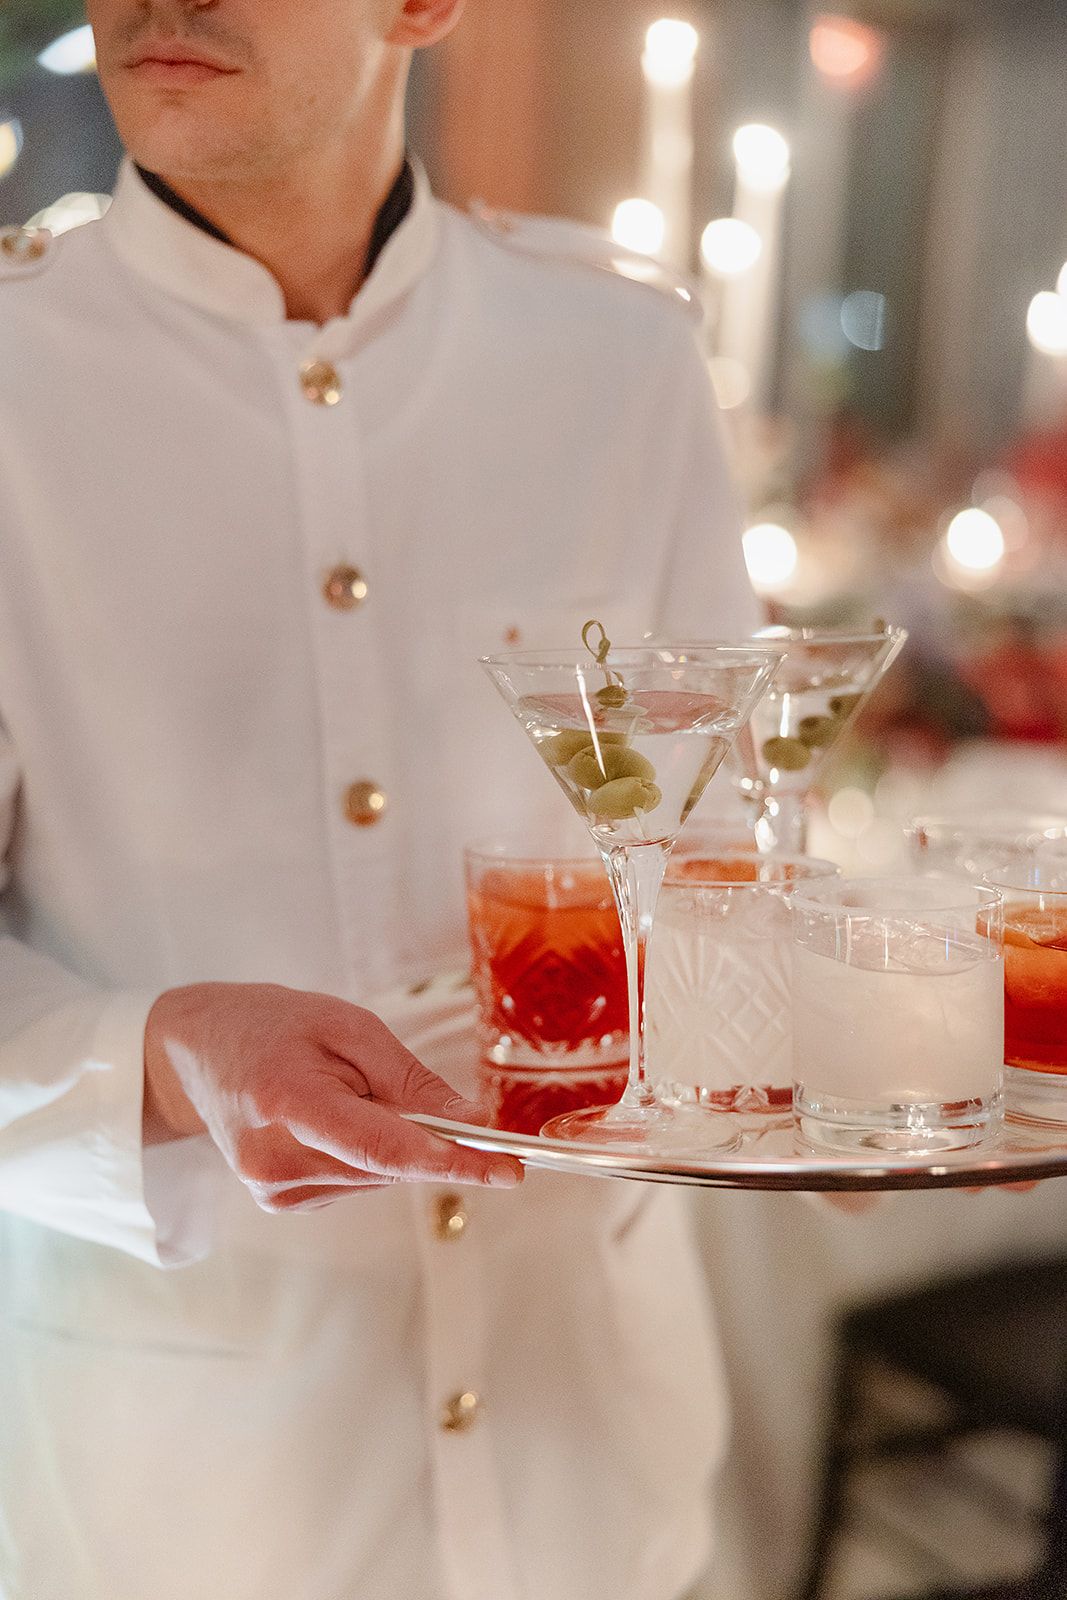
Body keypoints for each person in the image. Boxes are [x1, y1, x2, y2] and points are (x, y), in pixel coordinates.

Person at [0, 2, 761, 1597]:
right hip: (176, 1506)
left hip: (600, 1470)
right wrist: (155, 1052)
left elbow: (722, 858)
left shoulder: (619, 357)